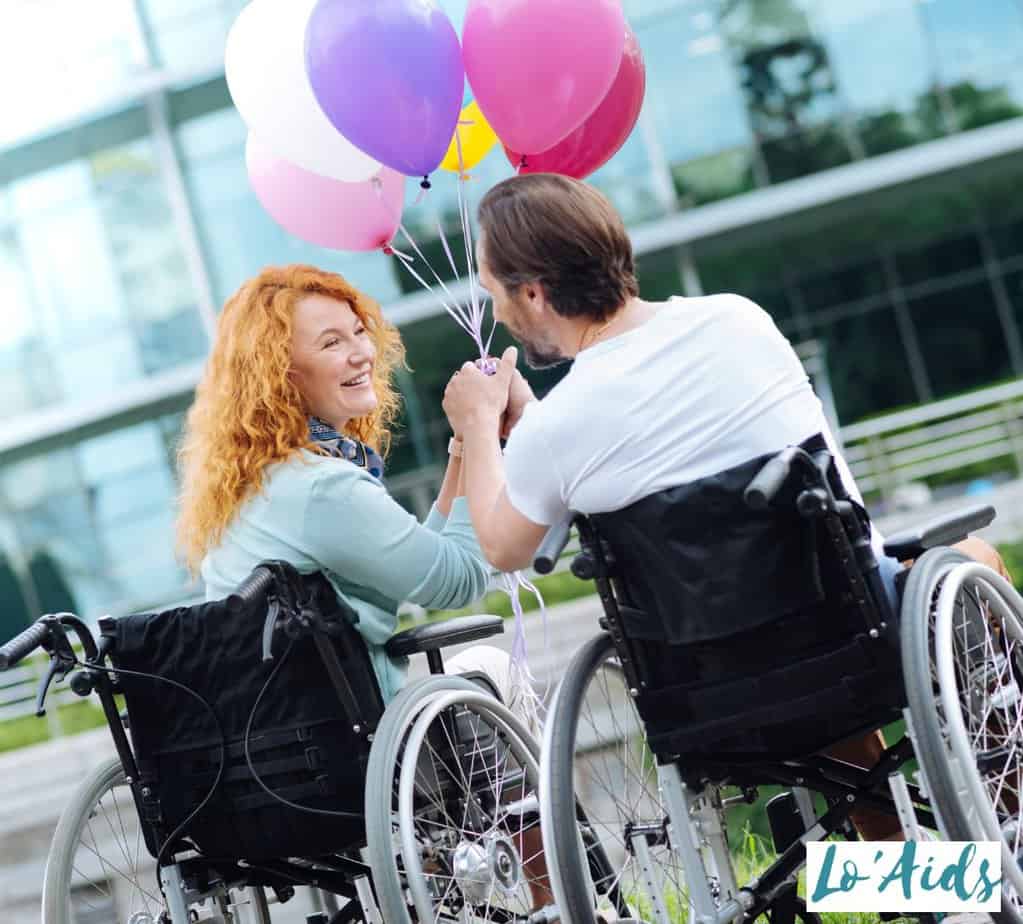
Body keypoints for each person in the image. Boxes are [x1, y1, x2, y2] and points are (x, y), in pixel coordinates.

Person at [442, 173, 1011, 841]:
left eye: (494, 291)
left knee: (821, 713)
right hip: (852, 640)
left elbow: (506, 546)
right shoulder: (738, 320)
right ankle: (1007, 819)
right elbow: (660, 431)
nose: (499, 311)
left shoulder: (553, 430)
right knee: (972, 560)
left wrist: (479, 426)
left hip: (703, 692)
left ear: (533, 293)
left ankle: (922, 892)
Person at [175, 264, 554, 911]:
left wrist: (465, 448)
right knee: (490, 666)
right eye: (331, 343)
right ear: (279, 370)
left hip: (271, 764)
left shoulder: (250, 489)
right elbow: (461, 576)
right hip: (358, 752)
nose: (361, 352)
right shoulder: (320, 488)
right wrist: (483, 432)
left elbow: (422, 561)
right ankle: (571, 901)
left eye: (358, 332)